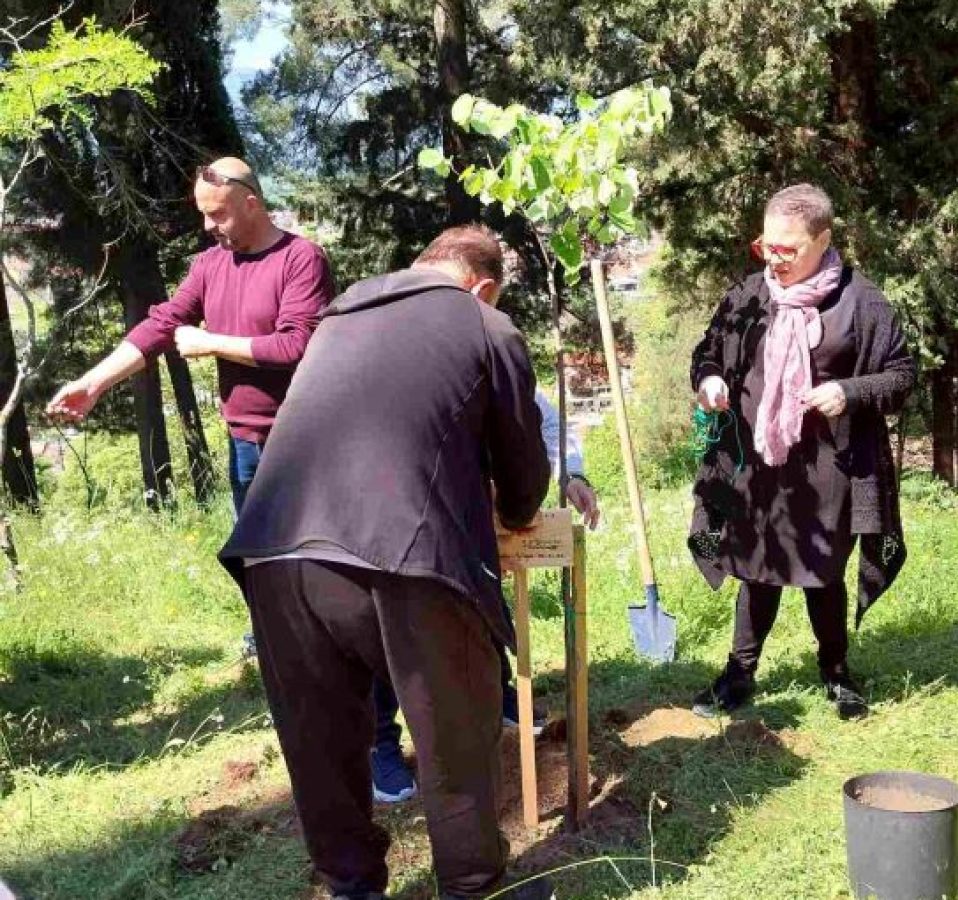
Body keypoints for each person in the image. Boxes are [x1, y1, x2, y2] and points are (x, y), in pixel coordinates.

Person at [217, 226, 553, 900]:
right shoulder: (487, 324)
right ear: (482, 286)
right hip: (405, 556)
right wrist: (515, 517)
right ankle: (474, 887)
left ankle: (349, 885)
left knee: (320, 747)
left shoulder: (338, 320)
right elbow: (522, 473)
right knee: (455, 733)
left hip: (275, 550)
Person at [368, 225, 600, 805]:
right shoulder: (381, 335)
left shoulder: (483, 341)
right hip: (382, 521)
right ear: (481, 291)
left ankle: (500, 697)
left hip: (469, 519)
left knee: (486, 599)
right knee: (383, 638)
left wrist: (568, 471)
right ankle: (381, 745)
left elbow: (539, 416)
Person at [687, 183, 915, 721]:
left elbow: (903, 376)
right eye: (767, 247)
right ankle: (739, 673)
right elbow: (707, 353)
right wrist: (712, 379)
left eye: (788, 249)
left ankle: (836, 672)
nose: (775, 260)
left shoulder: (863, 301)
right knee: (755, 565)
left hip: (828, 463)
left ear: (824, 239)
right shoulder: (747, 297)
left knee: (823, 569)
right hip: (755, 459)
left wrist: (849, 392)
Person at [46, 158, 334, 513]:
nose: (207, 225)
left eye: (217, 214)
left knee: (303, 561)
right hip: (243, 442)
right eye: (203, 213)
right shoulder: (209, 265)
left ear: (252, 205)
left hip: (300, 441)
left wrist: (211, 343)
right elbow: (161, 326)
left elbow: (294, 346)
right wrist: (93, 383)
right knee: (250, 563)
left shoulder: (301, 259)